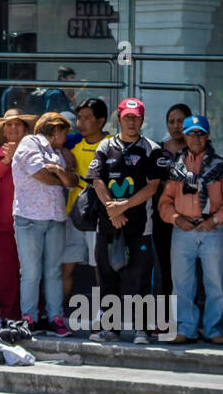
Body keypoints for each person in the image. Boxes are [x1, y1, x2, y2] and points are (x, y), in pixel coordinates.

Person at [87, 98, 168, 344]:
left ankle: (141, 328)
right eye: (127, 117)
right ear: (119, 119)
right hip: (107, 225)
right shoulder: (104, 146)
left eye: (136, 117)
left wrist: (124, 206)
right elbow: (97, 180)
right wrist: (112, 209)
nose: (131, 121)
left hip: (140, 227)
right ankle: (110, 327)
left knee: (140, 278)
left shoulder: (151, 148)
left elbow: (153, 186)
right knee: (107, 277)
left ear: (142, 120)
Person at [158, 115, 223, 345]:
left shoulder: (219, 166)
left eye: (200, 133)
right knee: (181, 283)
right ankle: (185, 328)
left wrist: (214, 220)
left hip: (213, 229)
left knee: (216, 283)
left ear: (208, 135)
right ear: (184, 135)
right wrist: (175, 219)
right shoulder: (177, 167)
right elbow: (165, 201)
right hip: (183, 230)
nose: (196, 138)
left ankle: (214, 329)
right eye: (191, 133)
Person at [11, 111, 79, 331]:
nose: (65, 138)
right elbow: (39, 173)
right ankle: (29, 318)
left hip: (56, 217)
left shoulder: (59, 153)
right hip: (29, 218)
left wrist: (58, 170)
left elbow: (72, 182)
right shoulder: (29, 143)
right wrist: (60, 177)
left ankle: (55, 317)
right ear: (56, 130)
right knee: (31, 272)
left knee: (53, 271)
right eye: (65, 133)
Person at [0, 108, 34, 323]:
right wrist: (6, 160)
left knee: (32, 272)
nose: (14, 128)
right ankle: (10, 316)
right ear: (3, 130)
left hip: (31, 221)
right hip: (2, 224)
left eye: (18, 124)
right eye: (9, 125)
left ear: (25, 129)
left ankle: (33, 315)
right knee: (6, 275)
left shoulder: (34, 151)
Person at [60, 97, 109, 323]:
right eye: (79, 117)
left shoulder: (112, 144)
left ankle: (103, 314)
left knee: (100, 266)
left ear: (101, 121)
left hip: (99, 218)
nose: (81, 122)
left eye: (87, 118)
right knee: (66, 266)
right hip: (73, 215)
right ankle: (59, 312)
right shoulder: (71, 143)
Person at [153, 102, 192, 303]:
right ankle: (163, 319)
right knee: (163, 268)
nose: (176, 126)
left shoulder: (197, 150)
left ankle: (185, 321)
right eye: (171, 122)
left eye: (181, 121)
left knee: (186, 272)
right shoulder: (158, 151)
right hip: (162, 218)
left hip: (191, 218)